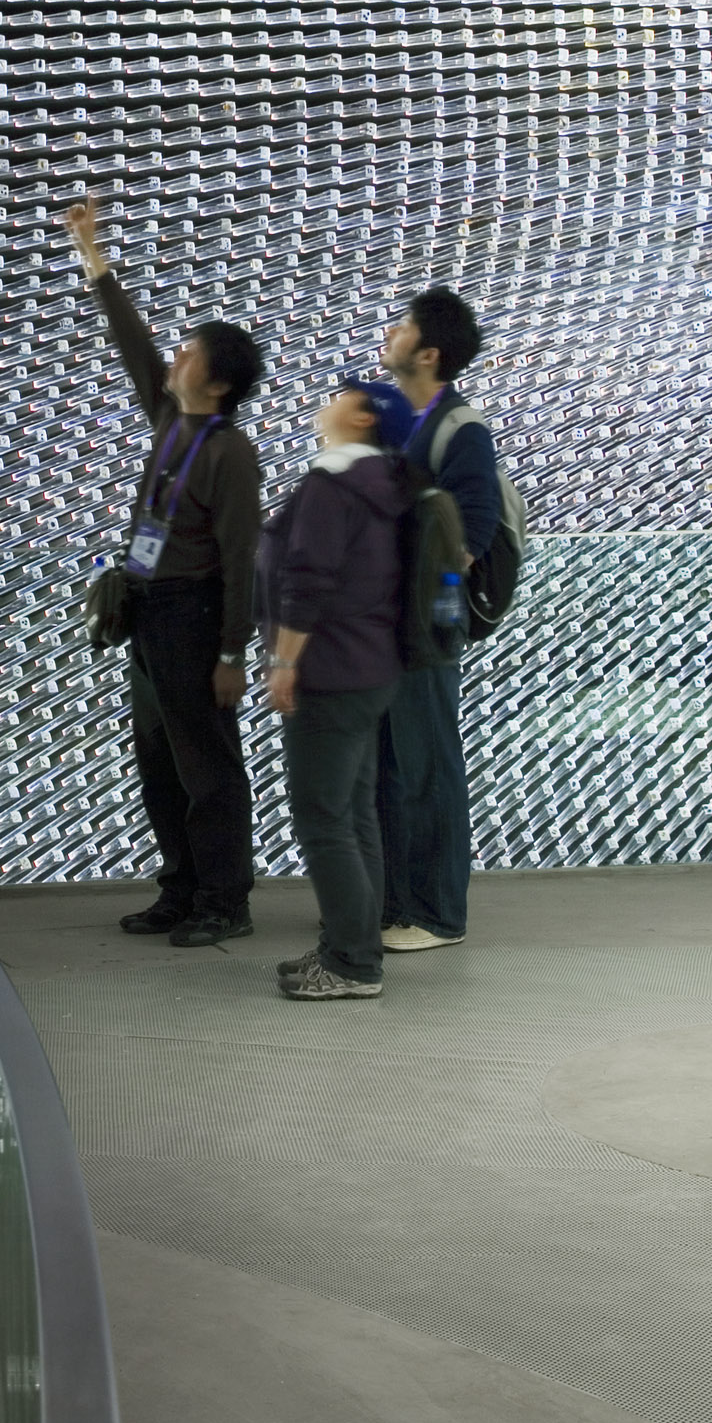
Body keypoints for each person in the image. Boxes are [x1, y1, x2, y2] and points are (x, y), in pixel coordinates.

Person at [63, 201, 264, 946]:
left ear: (219, 382)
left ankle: (225, 900)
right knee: (159, 759)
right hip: (150, 610)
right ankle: (179, 888)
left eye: (190, 353)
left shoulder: (229, 453)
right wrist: (95, 258)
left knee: (207, 764)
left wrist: (231, 653)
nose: (175, 359)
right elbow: (133, 346)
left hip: (193, 614)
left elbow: (242, 559)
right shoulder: (173, 421)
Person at [261, 382, 415, 1000]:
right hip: (372, 665)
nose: (323, 402)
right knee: (354, 815)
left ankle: (352, 964)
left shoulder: (333, 482)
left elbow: (309, 575)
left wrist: (284, 660)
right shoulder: (387, 484)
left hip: (327, 667)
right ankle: (352, 943)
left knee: (323, 819)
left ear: (361, 417)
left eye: (338, 396)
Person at [367, 289, 499, 953]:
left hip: (422, 625)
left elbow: (472, 531)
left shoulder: (460, 429)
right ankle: (395, 902)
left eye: (403, 326)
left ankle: (438, 912)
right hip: (381, 623)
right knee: (386, 763)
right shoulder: (397, 424)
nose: (389, 332)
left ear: (429, 352)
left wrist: (425, 599)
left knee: (426, 762)